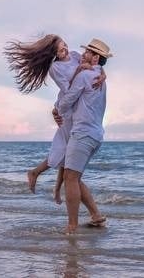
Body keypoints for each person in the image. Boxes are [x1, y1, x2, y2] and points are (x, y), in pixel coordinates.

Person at [3, 34, 104, 203]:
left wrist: (103, 74)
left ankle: (52, 187)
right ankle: (40, 177)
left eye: (64, 45)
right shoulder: (55, 68)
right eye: (60, 49)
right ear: (53, 53)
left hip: (75, 107)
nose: (65, 50)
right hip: (69, 109)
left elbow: (95, 63)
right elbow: (68, 89)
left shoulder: (75, 55)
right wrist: (78, 73)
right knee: (64, 151)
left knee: (66, 153)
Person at [55, 38, 112, 234]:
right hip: (95, 135)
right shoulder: (100, 77)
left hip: (82, 133)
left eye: (88, 52)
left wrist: (57, 109)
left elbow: (66, 102)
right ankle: (96, 216)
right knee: (75, 178)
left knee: (70, 178)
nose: (84, 55)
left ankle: (72, 226)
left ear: (95, 58)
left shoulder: (85, 75)